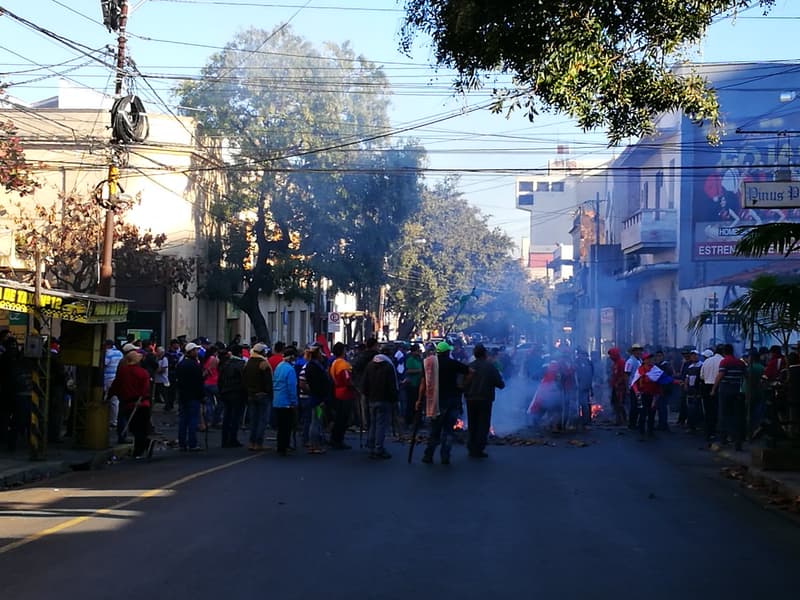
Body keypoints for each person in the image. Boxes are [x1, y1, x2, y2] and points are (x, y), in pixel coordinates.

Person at [418, 340, 470, 465]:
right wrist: (463, 385)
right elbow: (471, 371)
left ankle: (428, 455)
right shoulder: (453, 363)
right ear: (447, 352)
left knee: (435, 429)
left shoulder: (429, 364)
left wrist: (419, 399)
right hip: (453, 400)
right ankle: (445, 456)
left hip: (437, 401)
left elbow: (423, 383)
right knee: (448, 430)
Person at [107, 344, 152, 457]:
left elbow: (116, 385)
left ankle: (139, 448)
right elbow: (145, 389)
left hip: (128, 402)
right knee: (142, 428)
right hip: (141, 403)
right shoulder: (143, 373)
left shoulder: (123, 371)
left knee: (135, 428)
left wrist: (109, 396)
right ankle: (140, 448)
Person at [464, 343, 505, 458]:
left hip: (470, 399)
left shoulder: (469, 366)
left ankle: (471, 447)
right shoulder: (490, 367)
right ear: (485, 354)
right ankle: (478, 448)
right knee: (483, 424)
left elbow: (462, 383)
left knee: (472, 423)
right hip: (484, 399)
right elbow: (500, 384)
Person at [361, 343, 399, 459]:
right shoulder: (388, 367)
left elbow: (364, 384)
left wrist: (367, 395)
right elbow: (392, 385)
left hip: (372, 399)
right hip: (384, 399)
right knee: (381, 425)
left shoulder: (370, 366)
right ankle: (379, 448)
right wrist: (394, 399)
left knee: (373, 423)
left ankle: (371, 445)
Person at [712, 344, 747, 450]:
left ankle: (723, 439)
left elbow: (720, 375)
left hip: (725, 391)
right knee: (736, 416)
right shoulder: (740, 362)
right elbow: (746, 375)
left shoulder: (725, 361)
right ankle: (737, 440)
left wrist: (713, 389)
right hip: (737, 391)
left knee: (723, 414)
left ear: (724, 352)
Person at [243, 342, 273, 451]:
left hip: (251, 394)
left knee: (254, 420)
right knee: (262, 420)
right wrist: (269, 393)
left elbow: (244, 379)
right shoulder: (263, 363)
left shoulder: (248, 363)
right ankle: (258, 443)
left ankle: (251, 442)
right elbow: (268, 381)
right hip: (262, 395)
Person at [175, 342, 204, 451]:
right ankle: (192, 443)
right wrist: (201, 395)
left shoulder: (181, 364)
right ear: (191, 351)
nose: (197, 352)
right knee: (193, 419)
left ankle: (182, 443)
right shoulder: (194, 365)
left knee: (183, 420)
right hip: (193, 396)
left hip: (183, 395)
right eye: (195, 350)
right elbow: (199, 382)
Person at [218, 343, 247, 448]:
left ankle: (225, 439)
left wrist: (221, 391)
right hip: (237, 393)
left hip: (226, 392)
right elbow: (244, 380)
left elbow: (220, 379)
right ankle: (232, 439)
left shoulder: (226, 363)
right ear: (240, 353)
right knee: (235, 417)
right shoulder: (241, 364)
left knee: (227, 416)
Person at [272, 346, 298, 456]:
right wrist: (294, 401)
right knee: (287, 426)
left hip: (277, 400)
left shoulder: (279, 366)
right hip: (286, 401)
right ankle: (284, 446)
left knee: (280, 426)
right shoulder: (290, 369)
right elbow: (292, 387)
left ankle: (280, 446)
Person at [328, 341, 355, 450]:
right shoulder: (343, 364)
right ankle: (338, 440)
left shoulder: (334, 363)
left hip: (336, 391)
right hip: (345, 393)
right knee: (343, 418)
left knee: (338, 417)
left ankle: (334, 438)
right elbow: (347, 379)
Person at [631, 353, 661, 438]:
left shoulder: (656, 370)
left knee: (652, 413)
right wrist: (637, 392)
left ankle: (650, 431)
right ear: (644, 361)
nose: (650, 360)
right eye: (648, 359)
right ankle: (642, 432)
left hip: (653, 394)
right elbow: (634, 383)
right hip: (642, 395)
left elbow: (661, 381)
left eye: (651, 358)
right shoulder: (640, 370)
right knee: (642, 414)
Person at [700, 345, 724, 441]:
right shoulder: (723, 361)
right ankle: (718, 431)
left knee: (708, 410)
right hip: (718, 386)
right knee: (718, 410)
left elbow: (701, 376)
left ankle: (708, 431)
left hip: (706, 386)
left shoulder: (707, 361)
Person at [103, 339, 123, 429]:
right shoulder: (119, 353)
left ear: (107, 345)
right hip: (116, 377)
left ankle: (107, 419)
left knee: (106, 398)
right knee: (115, 401)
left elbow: (104, 364)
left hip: (107, 378)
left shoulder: (108, 353)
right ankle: (114, 420)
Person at [403, 343, 423, 428]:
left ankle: (417, 421)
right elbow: (408, 370)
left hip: (418, 384)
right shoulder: (410, 359)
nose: (419, 352)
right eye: (417, 350)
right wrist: (419, 371)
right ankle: (409, 421)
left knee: (418, 404)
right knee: (411, 403)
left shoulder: (419, 359)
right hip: (411, 385)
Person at [625, 344, 643, 429]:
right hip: (633, 386)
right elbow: (627, 375)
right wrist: (627, 387)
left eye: (639, 350)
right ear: (633, 351)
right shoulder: (630, 361)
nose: (638, 352)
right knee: (634, 406)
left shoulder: (640, 360)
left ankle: (637, 422)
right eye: (636, 350)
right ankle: (632, 423)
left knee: (639, 405)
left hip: (640, 386)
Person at [607, 347, 627, 425]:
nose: (610, 357)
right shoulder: (615, 363)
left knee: (619, 404)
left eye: (611, 355)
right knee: (615, 403)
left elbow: (623, 375)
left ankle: (623, 420)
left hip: (620, 387)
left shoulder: (621, 363)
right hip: (615, 386)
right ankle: (619, 419)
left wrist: (618, 383)